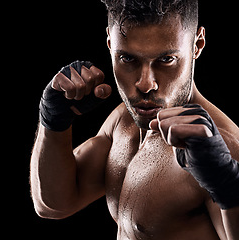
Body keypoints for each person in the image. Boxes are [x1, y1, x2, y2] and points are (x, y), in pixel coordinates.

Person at [30, 0, 239, 239]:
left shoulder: (224, 149)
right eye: (128, 59)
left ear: (197, 45)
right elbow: (53, 205)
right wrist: (53, 119)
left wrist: (229, 186)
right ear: (110, 43)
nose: (145, 84)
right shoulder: (122, 121)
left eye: (166, 59)